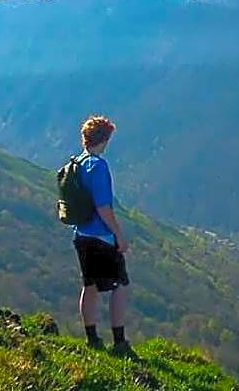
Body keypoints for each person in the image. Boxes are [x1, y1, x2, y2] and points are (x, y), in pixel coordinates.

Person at [72, 115, 135, 357]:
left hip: (81, 234)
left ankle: (92, 338)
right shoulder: (99, 166)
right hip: (101, 237)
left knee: (90, 285)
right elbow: (104, 208)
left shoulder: (77, 164)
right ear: (104, 139)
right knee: (121, 286)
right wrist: (118, 235)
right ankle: (119, 341)